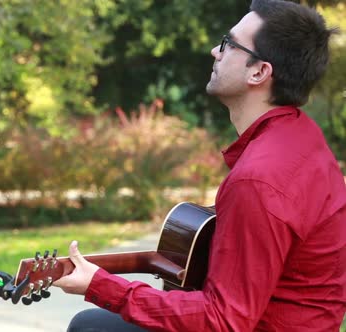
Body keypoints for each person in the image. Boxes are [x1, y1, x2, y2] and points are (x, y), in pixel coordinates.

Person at [53, 0, 346, 331]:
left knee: (92, 327)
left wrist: (101, 286)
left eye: (228, 44)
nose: (214, 51)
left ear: (259, 72)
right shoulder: (303, 138)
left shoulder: (258, 179)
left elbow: (223, 320)